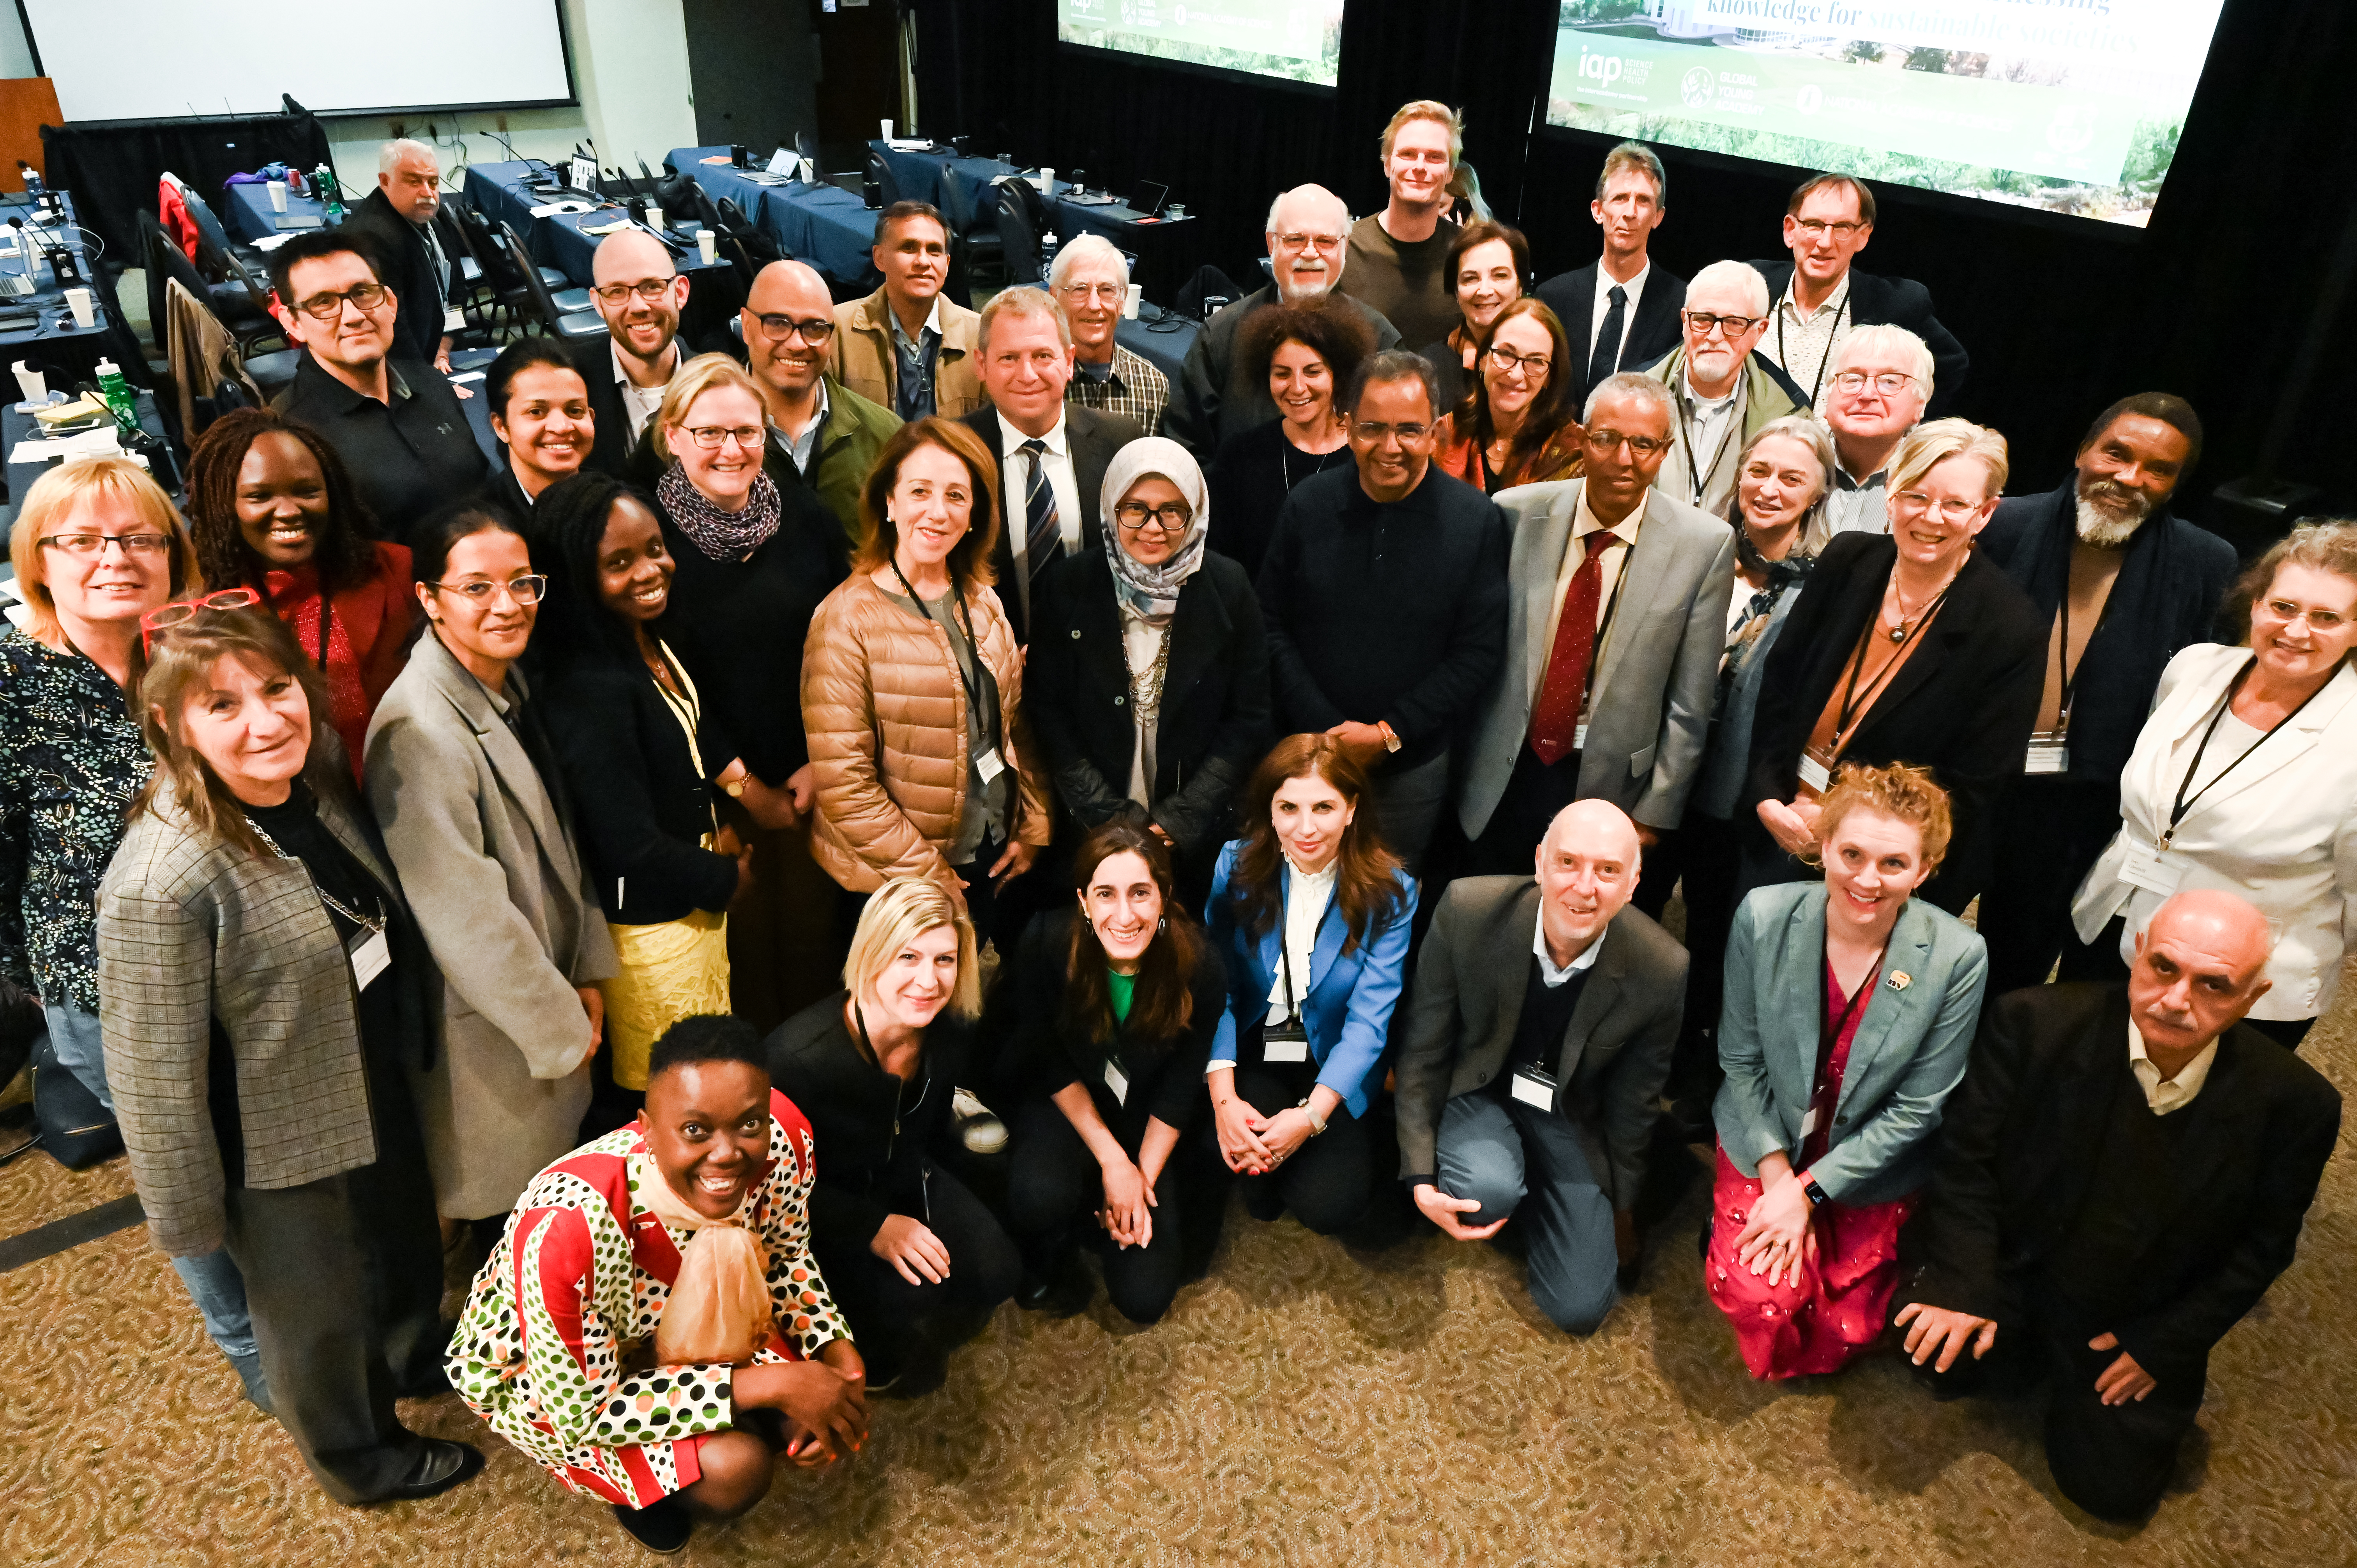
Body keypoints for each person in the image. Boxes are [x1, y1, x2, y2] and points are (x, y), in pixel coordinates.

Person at [99, 602, 474, 1504]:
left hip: (366, 1071)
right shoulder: (160, 877)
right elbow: (154, 1079)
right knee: (319, 1316)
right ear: (170, 723)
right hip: (274, 1142)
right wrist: (195, 1219)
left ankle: (414, 1352)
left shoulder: (309, 784)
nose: (267, 720)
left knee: (400, 1244)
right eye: (221, 706)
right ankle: (362, 1457)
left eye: (274, 688)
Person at [1894, 890, 2340, 1524]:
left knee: (2111, 1491)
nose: (2177, 998)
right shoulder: (2030, 1021)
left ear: (2252, 994)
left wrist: (2164, 1343)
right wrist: (1965, 1279)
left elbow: (2262, 1246)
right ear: (2135, 953)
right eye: (2163, 966)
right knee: (1928, 1353)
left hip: (2134, 1310)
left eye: (2213, 984)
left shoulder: (2297, 1105)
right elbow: (1965, 1161)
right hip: (2015, 1268)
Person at [0, 458, 261, 1402]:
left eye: (141, 537)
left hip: (241, 967)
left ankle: (309, 1319)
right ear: (40, 560)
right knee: (189, 1180)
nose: (115, 556)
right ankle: (254, 1353)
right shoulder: (13, 682)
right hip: (111, 998)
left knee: (258, 1156)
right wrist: (40, 970)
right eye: (83, 539)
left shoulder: (197, 653)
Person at [447, 1014, 867, 1555]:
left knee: (804, 1408)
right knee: (738, 1469)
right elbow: (584, 1413)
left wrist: (834, 1351)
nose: (728, 1154)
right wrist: (776, 1385)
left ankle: (727, 1411)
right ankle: (639, 1495)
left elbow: (785, 1256)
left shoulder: (785, 1136)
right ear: (645, 1129)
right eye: (696, 1130)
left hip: (685, 1323)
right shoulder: (566, 1230)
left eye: (749, 1124)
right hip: (556, 1377)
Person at [363, 501, 617, 1249]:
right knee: (515, 1241)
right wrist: (562, 1026)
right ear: (428, 598)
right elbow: (467, 919)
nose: (506, 605)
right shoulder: (419, 729)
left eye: (521, 583)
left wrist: (590, 969)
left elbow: (562, 844)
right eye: (476, 587)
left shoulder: (502, 682)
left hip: (549, 988)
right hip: (500, 1023)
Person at [530, 471, 804, 1112]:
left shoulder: (640, 637)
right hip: (650, 930)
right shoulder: (586, 685)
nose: (650, 570)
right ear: (574, 574)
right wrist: (724, 876)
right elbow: (625, 843)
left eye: (655, 548)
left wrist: (744, 790)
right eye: (618, 562)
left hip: (690, 909)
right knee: (675, 1095)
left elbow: (688, 727)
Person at [1707, 762, 1986, 1379]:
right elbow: (1740, 1059)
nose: (1867, 880)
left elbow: (1918, 1109)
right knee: (1765, 1297)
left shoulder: (1958, 956)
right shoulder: (1763, 916)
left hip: (1870, 1161)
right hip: (1769, 1136)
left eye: (1893, 864)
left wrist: (1806, 1195)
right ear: (1824, 847)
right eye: (1852, 853)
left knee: (1852, 1321)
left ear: (1925, 870)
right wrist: (1780, 1180)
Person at [1975, 395, 2236, 996]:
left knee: (2036, 969)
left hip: (2092, 803)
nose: (2129, 478)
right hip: (1980, 776)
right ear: (2083, 452)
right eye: (2116, 454)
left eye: (2158, 469)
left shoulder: (2205, 564)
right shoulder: (2003, 526)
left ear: (2176, 485)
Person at [1395, 800, 1684, 1334]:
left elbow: (1634, 1103)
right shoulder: (1467, 909)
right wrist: (1418, 1172)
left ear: (1634, 883)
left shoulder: (1663, 968)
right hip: (1479, 1088)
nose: (1584, 886)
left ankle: (1533, 1183)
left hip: (1570, 1114)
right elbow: (1424, 1047)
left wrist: (1622, 1210)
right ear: (1540, 863)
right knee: (1488, 1191)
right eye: (1568, 863)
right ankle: (1509, 1178)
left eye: (1608, 871)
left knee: (1579, 1308)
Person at [2067, 521, 2357, 1047]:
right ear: (2255, 604)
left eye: (2326, 618)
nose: (2296, 630)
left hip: (2237, 979)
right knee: (2076, 1079)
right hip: (2119, 920)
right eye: (2284, 607)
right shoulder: (2195, 668)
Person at [1743, 419, 2044, 915]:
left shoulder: (2010, 628)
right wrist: (1767, 795)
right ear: (1891, 496)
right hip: (1782, 825)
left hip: (1883, 871)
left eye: (1954, 504)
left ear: (1985, 514)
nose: (1931, 517)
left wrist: (1850, 831)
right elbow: (1779, 687)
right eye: (1916, 496)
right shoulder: (1848, 558)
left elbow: (1974, 782)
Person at [1457, 373, 1735, 878]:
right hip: (1504, 766)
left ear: (1665, 449)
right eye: (1607, 439)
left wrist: (1654, 812)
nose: (1624, 459)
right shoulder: (1515, 515)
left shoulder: (1703, 545)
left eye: (1643, 444)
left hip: (1613, 782)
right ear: (1583, 439)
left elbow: (1690, 704)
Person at [646, 354, 847, 1028]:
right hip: (710, 797)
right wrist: (744, 787)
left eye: (747, 431)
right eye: (709, 433)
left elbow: (842, 642)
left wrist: (821, 759)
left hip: (811, 779)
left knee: (815, 952)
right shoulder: (646, 537)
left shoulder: (804, 519)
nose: (731, 450)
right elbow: (657, 673)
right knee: (743, 967)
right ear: (672, 434)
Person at [765, 878, 1020, 1397]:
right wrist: (872, 1225)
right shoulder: (796, 1061)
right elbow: (763, 1196)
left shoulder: (948, 1030)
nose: (928, 981)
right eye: (908, 956)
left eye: (944, 960)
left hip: (905, 1176)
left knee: (999, 1273)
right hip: (816, 1218)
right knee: (903, 1313)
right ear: (873, 953)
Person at [1256, 350, 1508, 871]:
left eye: (1410, 430)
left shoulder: (1476, 521)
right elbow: (1269, 624)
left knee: (1389, 906)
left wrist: (1389, 733)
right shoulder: (1308, 505)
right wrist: (1327, 730)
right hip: (1309, 757)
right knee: (1297, 891)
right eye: (1373, 428)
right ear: (1348, 427)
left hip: (1411, 767)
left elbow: (1477, 652)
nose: (1391, 447)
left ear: (1438, 432)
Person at [802, 417, 1049, 946]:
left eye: (957, 496)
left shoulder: (982, 601)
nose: (938, 512)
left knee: (969, 1016)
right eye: (920, 491)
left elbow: (1013, 723)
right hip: (892, 882)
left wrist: (1034, 824)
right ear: (888, 503)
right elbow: (846, 787)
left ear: (975, 513)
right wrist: (929, 876)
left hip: (985, 854)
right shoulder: (845, 620)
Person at [1669, 416, 1836, 1127]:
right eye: (1757, 470)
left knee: (1716, 939)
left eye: (1790, 478)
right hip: (1663, 770)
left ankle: (1697, 1079)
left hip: (1739, 793)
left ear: (1818, 492)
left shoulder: (1827, 584)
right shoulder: (1693, 548)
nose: (1767, 489)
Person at [1000, 822, 1232, 1324]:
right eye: (1106, 894)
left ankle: (1106, 1210)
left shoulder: (1202, 964)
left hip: (1147, 1113)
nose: (1124, 915)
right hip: (1069, 1099)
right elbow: (1047, 1060)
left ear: (1165, 897)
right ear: (1084, 900)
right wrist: (1111, 1161)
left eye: (1141, 893)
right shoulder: (1045, 943)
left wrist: (1136, 1183)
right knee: (1039, 1196)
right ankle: (1075, 1218)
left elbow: (1179, 1086)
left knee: (1145, 1297)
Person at [1026, 437, 1268, 909]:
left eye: (1172, 510)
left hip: (1196, 828)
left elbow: (1250, 717)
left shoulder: (1229, 586)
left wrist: (1181, 820)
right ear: (1111, 508)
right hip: (1089, 823)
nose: (1153, 527)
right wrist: (1109, 816)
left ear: (1195, 511)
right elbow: (1049, 712)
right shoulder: (1070, 586)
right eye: (1135, 509)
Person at [1204, 735, 1416, 1236]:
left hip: (1334, 1054)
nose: (1305, 828)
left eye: (1324, 807)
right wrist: (1224, 1101)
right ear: (1270, 811)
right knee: (1253, 1172)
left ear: (1351, 809)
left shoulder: (1392, 891)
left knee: (1330, 1207)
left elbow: (1369, 1022)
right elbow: (1219, 985)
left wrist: (1310, 1119)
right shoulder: (1234, 865)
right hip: (1257, 1041)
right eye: (1289, 807)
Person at [183, 408, 416, 779]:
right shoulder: (211, 620)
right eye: (259, 497)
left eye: (307, 492)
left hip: (415, 781)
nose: (289, 511)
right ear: (224, 507)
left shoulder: (397, 570)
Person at [268, 231, 488, 544]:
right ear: (293, 323)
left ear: (391, 303)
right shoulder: (290, 435)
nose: (354, 316)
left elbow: (480, 487)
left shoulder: (432, 383)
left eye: (363, 293)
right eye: (324, 302)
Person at [958, 286, 1146, 645]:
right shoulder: (953, 451)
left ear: (1070, 361)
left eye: (1043, 356)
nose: (1027, 375)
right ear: (981, 365)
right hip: (993, 669)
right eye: (1009, 358)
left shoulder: (1120, 440)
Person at [1163, 184, 1402, 459]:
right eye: (1295, 239)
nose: (1311, 253)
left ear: (1345, 247)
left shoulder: (1379, 339)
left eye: (1325, 241)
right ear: (1271, 243)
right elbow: (1184, 446)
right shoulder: (1221, 334)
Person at [1751, 173, 1968, 416]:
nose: (1825, 242)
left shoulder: (1894, 305)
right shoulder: (1751, 283)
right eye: (1814, 225)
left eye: (1842, 228)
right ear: (1790, 231)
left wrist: (1904, 428)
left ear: (1862, 236)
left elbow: (1951, 366)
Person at [1201, 300, 1374, 581]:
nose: (1297, 388)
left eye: (1313, 372)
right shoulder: (1239, 456)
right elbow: (1219, 560)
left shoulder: (1366, 458)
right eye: (1282, 373)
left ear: (1338, 374)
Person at [740, 259, 901, 547]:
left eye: (815, 328)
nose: (798, 343)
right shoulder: (698, 435)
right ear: (747, 326)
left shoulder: (886, 437)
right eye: (778, 324)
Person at [1643, 261, 1808, 516]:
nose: (1715, 336)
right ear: (1685, 321)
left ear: (1759, 331)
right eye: (1703, 319)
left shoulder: (1788, 416)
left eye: (1734, 323)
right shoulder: (1633, 395)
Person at [1534, 141, 1687, 415]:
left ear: (1658, 217)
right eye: (1620, 198)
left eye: (1644, 201)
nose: (1630, 213)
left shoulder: (1682, 305)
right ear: (1598, 210)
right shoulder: (1555, 298)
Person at [829, 201, 982, 421]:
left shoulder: (980, 334)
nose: (923, 261)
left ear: (947, 264)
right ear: (879, 258)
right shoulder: (838, 330)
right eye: (909, 248)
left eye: (934, 251)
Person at [1336, 100, 1463, 350]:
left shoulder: (1469, 255)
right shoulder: (1344, 248)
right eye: (1407, 154)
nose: (1419, 166)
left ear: (1450, 173)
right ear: (1387, 164)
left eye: (1435, 157)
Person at [1433, 297, 1584, 493]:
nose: (1516, 375)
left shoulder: (1574, 451)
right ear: (1483, 360)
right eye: (1505, 354)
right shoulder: (1444, 434)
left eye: (1536, 361)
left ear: (1549, 377)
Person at [570, 228, 689, 476]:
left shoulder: (721, 386)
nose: (638, 306)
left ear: (680, 292)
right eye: (617, 292)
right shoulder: (568, 384)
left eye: (652, 287)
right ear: (598, 303)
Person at [339, 139, 463, 373]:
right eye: (414, 181)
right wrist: (428, 383)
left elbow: (456, 289)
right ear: (385, 182)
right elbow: (392, 325)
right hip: (397, 370)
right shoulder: (372, 237)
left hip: (434, 351)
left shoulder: (432, 216)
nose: (428, 193)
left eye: (433, 182)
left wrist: (443, 351)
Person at [1051, 234, 1170, 436]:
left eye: (1107, 290)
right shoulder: (1038, 382)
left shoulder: (1153, 385)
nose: (1094, 305)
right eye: (1080, 289)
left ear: (1123, 300)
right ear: (1055, 297)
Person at [1820, 325, 1932, 536]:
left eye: (1890, 381)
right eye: (1853, 379)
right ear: (1828, 395)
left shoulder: (1935, 479)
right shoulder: (1789, 461)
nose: (1867, 394)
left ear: (1920, 405)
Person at [1418, 218, 1527, 415]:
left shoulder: (1542, 363)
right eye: (1470, 278)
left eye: (1500, 276)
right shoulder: (1428, 368)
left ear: (1520, 286)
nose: (1484, 291)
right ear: (1456, 292)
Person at [483, 339, 594, 520]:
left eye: (575, 411)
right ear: (501, 426)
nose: (562, 427)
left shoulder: (621, 507)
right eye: (536, 412)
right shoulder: (481, 532)